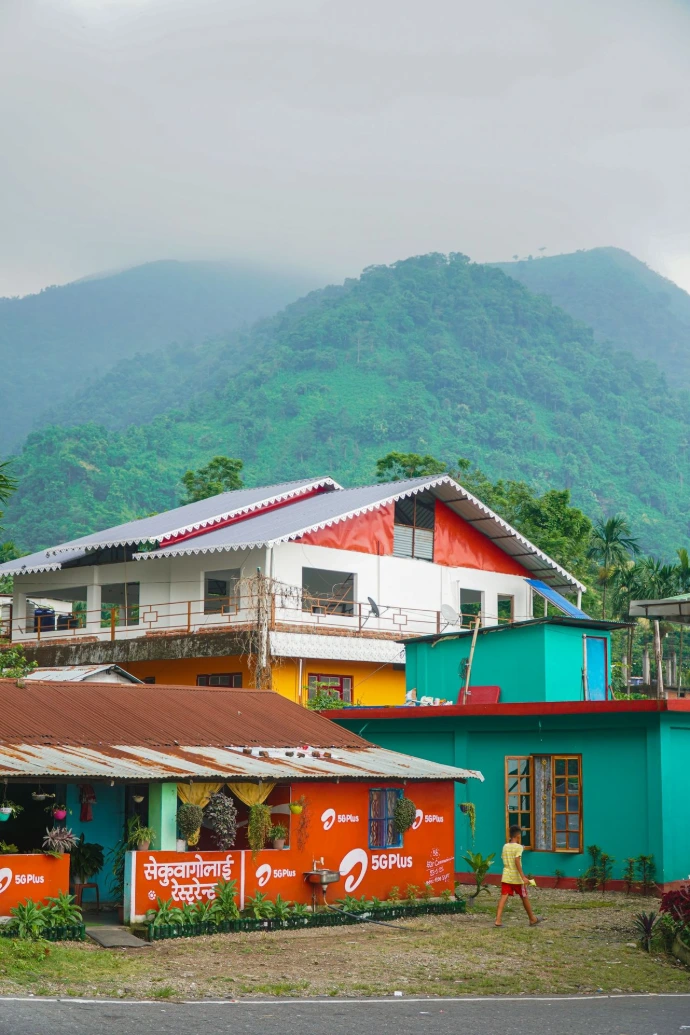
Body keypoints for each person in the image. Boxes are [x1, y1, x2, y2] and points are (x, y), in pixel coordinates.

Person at [494, 825, 544, 927]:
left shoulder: (505, 846)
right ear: (518, 835)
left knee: (503, 897)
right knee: (524, 897)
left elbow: (508, 854)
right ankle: (532, 919)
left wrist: (521, 848)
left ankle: (498, 920)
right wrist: (523, 877)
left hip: (506, 876)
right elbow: (516, 860)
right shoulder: (518, 847)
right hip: (516, 877)